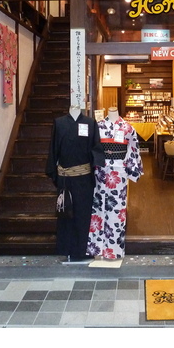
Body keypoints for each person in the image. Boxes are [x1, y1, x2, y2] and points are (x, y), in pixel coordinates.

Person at [46, 105, 104, 262]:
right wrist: (54, 173)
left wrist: (95, 168)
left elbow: (96, 148)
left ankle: (82, 250)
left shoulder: (90, 123)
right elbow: (53, 149)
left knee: (83, 214)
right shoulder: (59, 123)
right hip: (65, 178)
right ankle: (66, 250)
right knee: (66, 213)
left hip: (84, 177)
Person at [87, 107, 143, 260]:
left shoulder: (127, 127)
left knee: (117, 208)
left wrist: (131, 169)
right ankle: (96, 247)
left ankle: (114, 249)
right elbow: (90, 149)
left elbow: (133, 149)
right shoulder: (98, 126)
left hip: (119, 172)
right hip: (100, 170)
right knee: (98, 207)